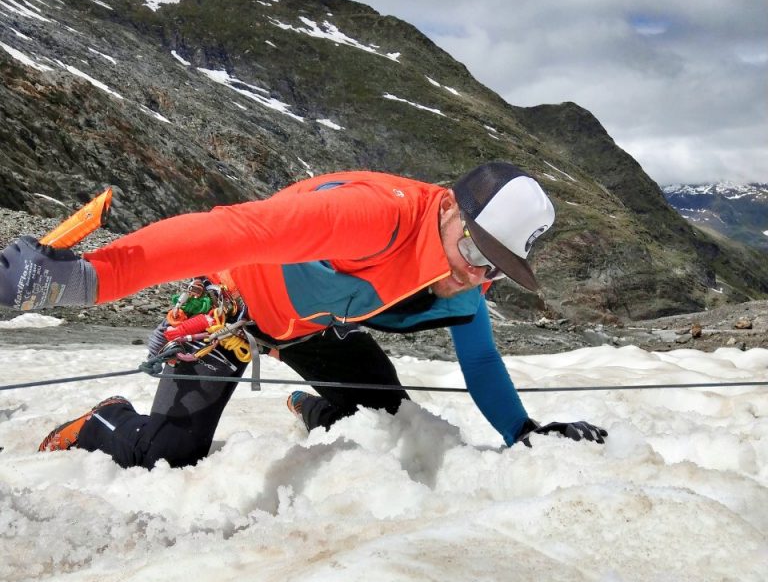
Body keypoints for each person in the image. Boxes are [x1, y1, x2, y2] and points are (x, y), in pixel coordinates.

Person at [0, 162, 607, 468]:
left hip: (309, 328)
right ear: (448, 206)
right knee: (168, 455)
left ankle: (311, 404)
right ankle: (105, 422)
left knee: (389, 417)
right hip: (235, 305)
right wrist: (91, 278)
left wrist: (523, 433)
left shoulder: (463, 283)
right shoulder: (376, 216)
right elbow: (231, 232)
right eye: (475, 248)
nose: (476, 272)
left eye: (494, 265)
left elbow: (480, 357)